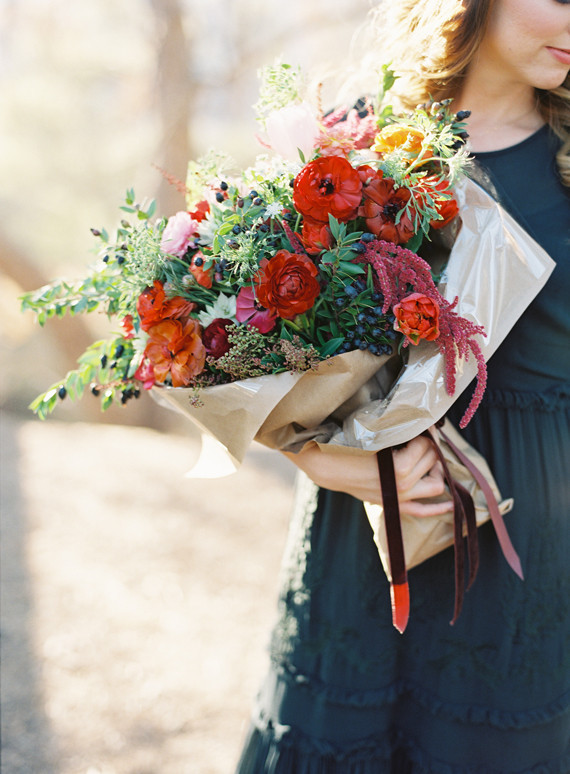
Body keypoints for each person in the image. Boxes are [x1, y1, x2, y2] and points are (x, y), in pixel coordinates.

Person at [235, 0, 570, 771]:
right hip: (358, 546)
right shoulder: (352, 144)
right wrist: (318, 459)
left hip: (530, 562)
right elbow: (242, 347)